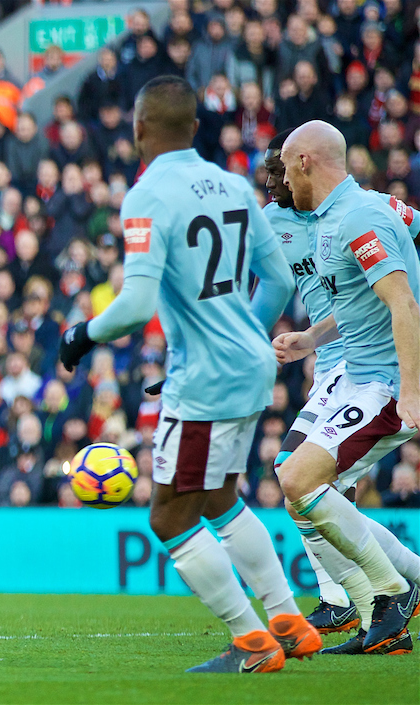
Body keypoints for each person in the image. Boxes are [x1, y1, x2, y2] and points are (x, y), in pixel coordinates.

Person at [58, 75, 318, 673]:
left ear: (138, 128)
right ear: (195, 128)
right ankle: (290, 622)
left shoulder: (148, 196)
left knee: (169, 514)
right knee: (220, 499)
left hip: (205, 377)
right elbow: (278, 282)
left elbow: (137, 305)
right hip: (250, 364)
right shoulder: (232, 185)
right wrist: (241, 336)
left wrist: (81, 335)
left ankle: (253, 643)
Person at [260, 129, 420, 654]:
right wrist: (310, 337)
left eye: (284, 166)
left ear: (304, 162)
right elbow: (356, 304)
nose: (280, 178)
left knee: (302, 481)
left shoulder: (360, 216)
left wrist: (412, 391)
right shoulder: (336, 217)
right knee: (296, 481)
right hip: (352, 371)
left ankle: (388, 598)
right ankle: (392, 592)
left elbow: (402, 304)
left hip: (385, 382)